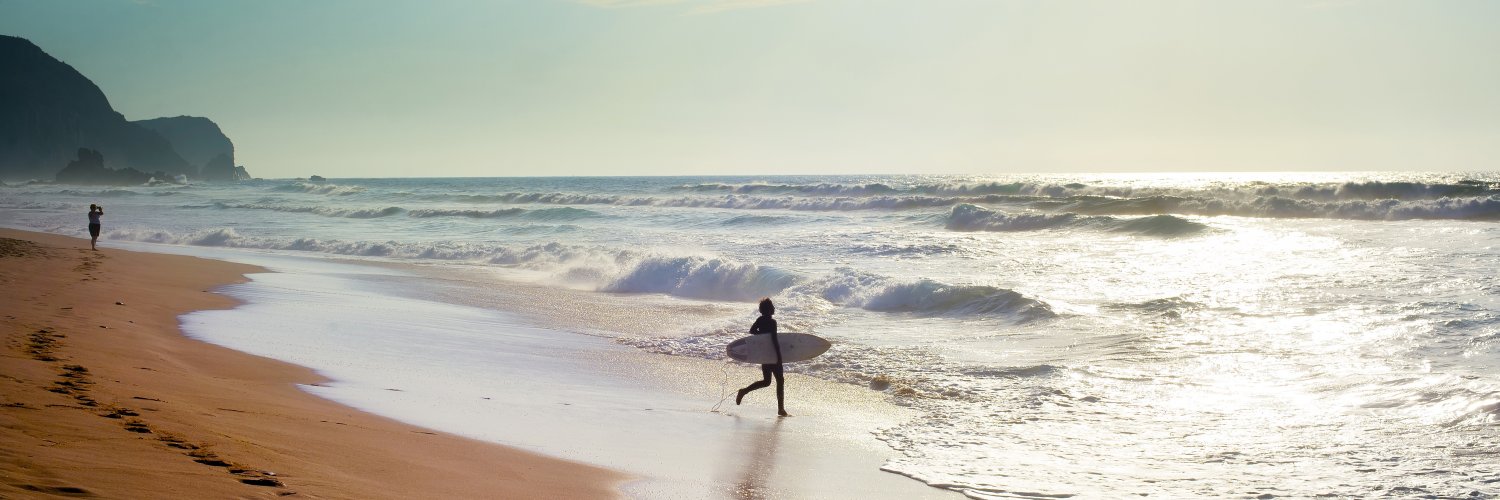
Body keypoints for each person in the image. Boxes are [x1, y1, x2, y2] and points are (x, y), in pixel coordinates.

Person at [736, 297, 788, 416]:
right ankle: (781, 409)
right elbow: (774, 340)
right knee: (780, 380)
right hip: (772, 355)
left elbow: (752, 330)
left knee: (766, 381)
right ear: (770, 310)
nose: (774, 308)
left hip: (764, 355)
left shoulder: (760, 319)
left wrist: (762, 335)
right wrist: (779, 357)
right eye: (772, 307)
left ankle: (744, 391)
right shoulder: (772, 322)